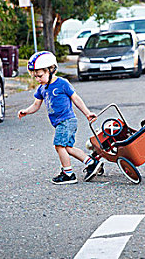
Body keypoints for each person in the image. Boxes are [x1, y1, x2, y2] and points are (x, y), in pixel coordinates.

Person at [17, 51, 103, 185]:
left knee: (59, 145)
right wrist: (26, 111)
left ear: (51, 70)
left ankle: (68, 174)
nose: (38, 79)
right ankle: (91, 162)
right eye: (35, 77)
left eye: (40, 76)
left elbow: (76, 98)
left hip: (67, 121)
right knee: (68, 148)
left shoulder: (62, 83)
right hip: (60, 123)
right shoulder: (42, 89)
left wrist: (87, 113)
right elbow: (36, 105)